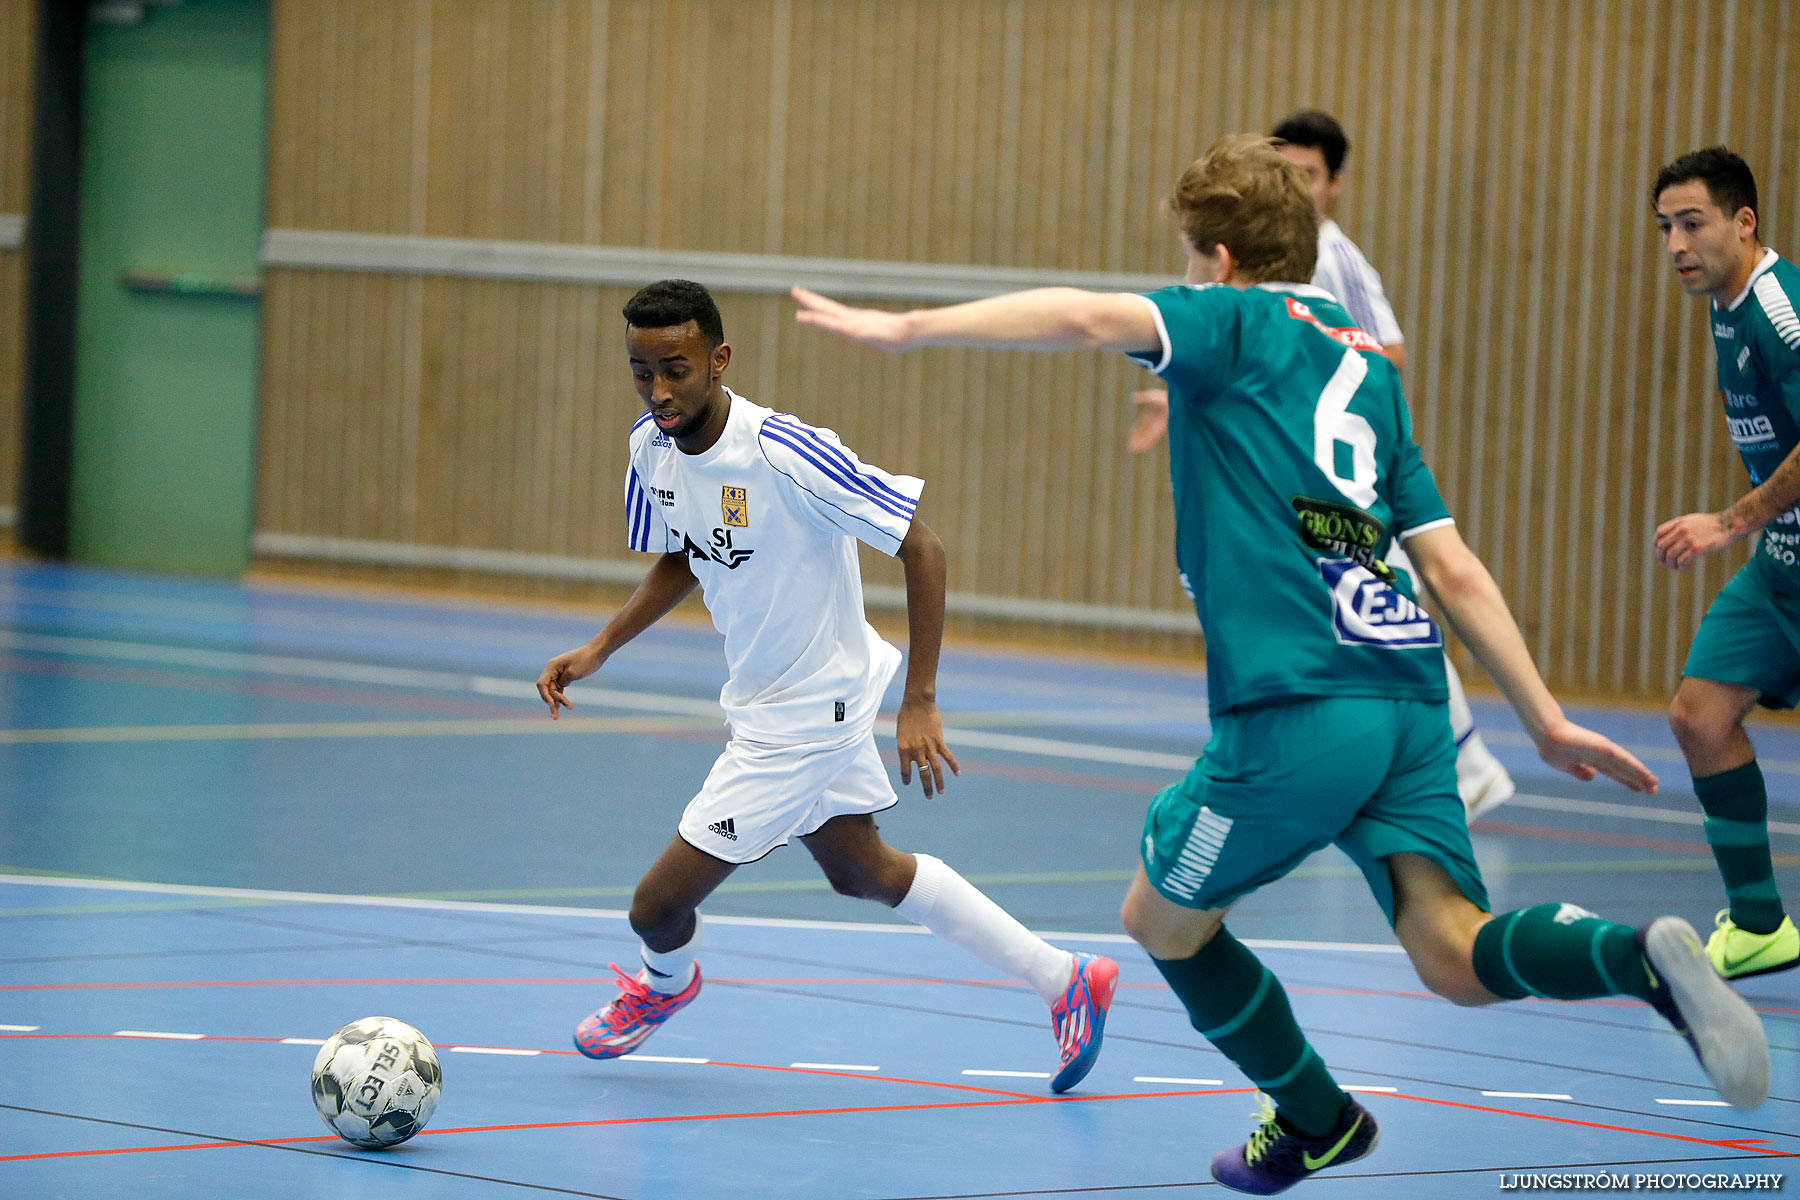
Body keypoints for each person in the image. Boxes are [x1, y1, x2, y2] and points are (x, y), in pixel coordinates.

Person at [794, 136, 1769, 1194]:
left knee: (1159, 918)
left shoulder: (1230, 322)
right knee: (1453, 952)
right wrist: (1540, 717)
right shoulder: (1367, 366)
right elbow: (1452, 564)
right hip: (1406, 693)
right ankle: (1631, 960)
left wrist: (908, 327)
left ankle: (1317, 1115)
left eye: (1186, 260)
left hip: (1296, 702)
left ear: (1217, 258)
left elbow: (1082, 315)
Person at [537, 279, 1117, 1094]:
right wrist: (600, 647)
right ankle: (1067, 979)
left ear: (719, 359)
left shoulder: (786, 452)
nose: (660, 389)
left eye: (676, 367)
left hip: (811, 714)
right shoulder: (650, 446)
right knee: (863, 871)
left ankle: (664, 986)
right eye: (642, 370)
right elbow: (682, 554)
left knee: (655, 907)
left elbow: (922, 545)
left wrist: (920, 699)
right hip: (774, 700)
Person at [1130, 110, 1514, 822]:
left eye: (1310, 176)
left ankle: (1467, 762)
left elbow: (1383, 354)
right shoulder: (1255, 274)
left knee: (1390, 605)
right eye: (1288, 173)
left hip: (1337, 470)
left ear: (1334, 185)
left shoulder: (1330, 257)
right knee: (1367, 612)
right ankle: (1441, 762)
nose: (1297, 188)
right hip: (1292, 461)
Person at [1651, 146, 1800, 980]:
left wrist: (1728, 522)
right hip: (1786, 565)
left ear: (1745, 222)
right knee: (1699, 716)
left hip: (1771, 541)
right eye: (1666, 226)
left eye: (1694, 222)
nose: (1676, 242)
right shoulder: (1722, 302)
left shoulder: (1779, 310)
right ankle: (1759, 926)